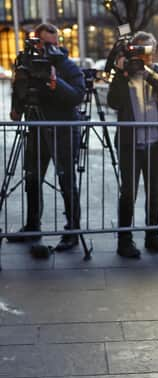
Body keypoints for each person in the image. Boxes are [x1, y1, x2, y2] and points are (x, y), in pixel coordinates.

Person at [8, 23, 85, 251]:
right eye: (44, 44)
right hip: (36, 130)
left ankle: (73, 230)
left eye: (53, 44)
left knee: (66, 181)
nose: (48, 49)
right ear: (36, 43)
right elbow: (20, 99)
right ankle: (32, 226)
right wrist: (17, 99)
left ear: (58, 44)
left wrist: (55, 81)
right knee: (32, 179)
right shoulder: (28, 65)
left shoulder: (67, 66)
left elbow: (77, 96)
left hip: (63, 131)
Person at [107, 31, 158, 258]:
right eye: (139, 49)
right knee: (128, 192)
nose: (144, 55)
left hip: (155, 142)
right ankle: (124, 240)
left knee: (154, 192)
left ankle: (152, 235)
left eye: (148, 50)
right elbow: (113, 102)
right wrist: (120, 72)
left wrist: (148, 74)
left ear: (154, 52)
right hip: (130, 143)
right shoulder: (124, 76)